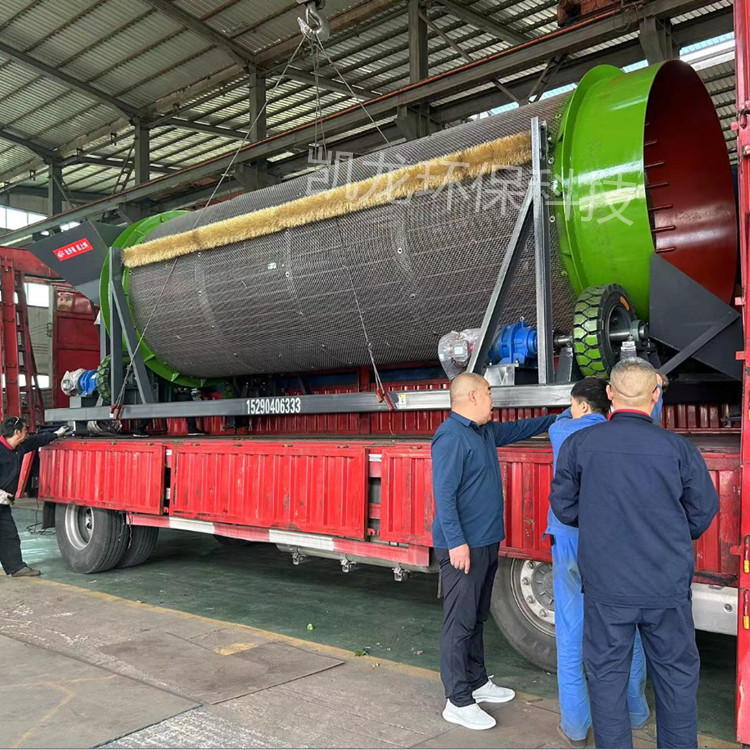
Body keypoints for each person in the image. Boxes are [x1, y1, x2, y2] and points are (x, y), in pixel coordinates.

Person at [550, 358, 719, 749]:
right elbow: (703, 510)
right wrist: (669, 537)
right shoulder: (678, 449)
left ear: (610, 394)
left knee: (607, 680)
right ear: (655, 395)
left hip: (607, 588)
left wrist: (600, 525)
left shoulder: (579, 444)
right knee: (676, 680)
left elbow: (564, 506)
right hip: (666, 588)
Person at [432, 372, 556, 731]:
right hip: (463, 547)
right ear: (471, 397)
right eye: (488, 393)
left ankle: (477, 681)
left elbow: (517, 429)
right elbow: (444, 494)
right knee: (459, 622)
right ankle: (457, 700)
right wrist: (457, 543)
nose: (493, 400)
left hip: (485, 542)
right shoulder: (450, 436)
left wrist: (555, 418)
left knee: (477, 616)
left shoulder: (483, 432)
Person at [546, 377, 649, 748]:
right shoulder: (621, 434)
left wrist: (581, 403)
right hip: (614, 543)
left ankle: (575, 726)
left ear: (582, 406)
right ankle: (636, 712)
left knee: (571, 634)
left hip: (568, 542)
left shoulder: (562, 432)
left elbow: (562, 417)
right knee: (627, 629)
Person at [0, 417, 70, 577]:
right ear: (17, 432)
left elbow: (37, 440)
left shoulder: (19, 447)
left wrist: (57, 434)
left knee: (8, 534)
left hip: (3, 504)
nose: (27, 432)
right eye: (25, 429)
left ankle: (16, 568)